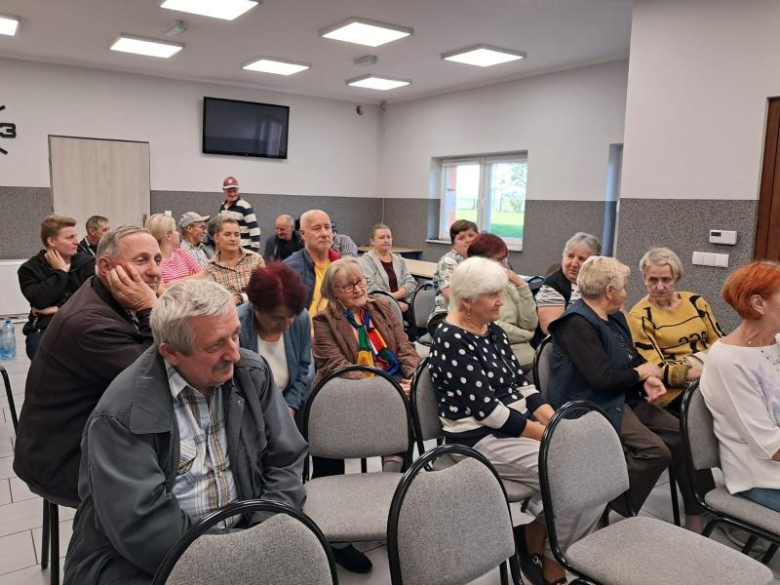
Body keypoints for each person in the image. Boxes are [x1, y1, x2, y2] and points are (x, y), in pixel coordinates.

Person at [63, 280, 307, 585]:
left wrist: (263, 534)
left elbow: (286, 458)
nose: (234, 353)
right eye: (216, 345)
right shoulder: (122, 414)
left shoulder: (251, 374)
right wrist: (230, 560)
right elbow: (143, 528)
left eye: (235, 335)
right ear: (170, 352)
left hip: (248, 532)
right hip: (145, 563)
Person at [429, 257, 600, 585]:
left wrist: (553, 421)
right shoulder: (450, 338)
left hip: (510, 426)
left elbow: (520, 385)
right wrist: (548, 436)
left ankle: (534, 535)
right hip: (476, 438)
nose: (501, 301)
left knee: (591, 470)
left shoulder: (489, 328)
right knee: (575, 477)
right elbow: (489, 413)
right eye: (493, 295)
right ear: (466, 300)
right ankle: (553, 560)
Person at [548, 256, 705, 531]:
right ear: (609, 290)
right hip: (590, 404)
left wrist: (644, 381)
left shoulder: (615, 317)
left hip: (620, 397)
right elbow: (602, 379)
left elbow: (630, 360)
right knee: (655, 452)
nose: (626, 292)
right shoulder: (575, 322)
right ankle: (603, 508)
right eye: (622, 287)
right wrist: (643, 374)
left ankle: (697, 506)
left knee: (683, 434)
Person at [13, 225, 161, 505]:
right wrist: (148, 308)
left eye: (157, 260)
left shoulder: (106, 294)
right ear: (105, 266)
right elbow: (156, 382)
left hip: (81, 438)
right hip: (64, 461)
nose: (154, 270)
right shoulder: (89, 324)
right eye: (141, 260)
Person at [311, 257, 420, 575]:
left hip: (395, 390)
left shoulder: (382, 308)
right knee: (330, 458)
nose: (359, 288)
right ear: (335, 292)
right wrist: (389, 387)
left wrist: (412, 377)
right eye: (350, 285)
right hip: (346, 399)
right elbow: (336, 367)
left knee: (406, 420)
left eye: (360, 281)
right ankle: (335, 540)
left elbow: (405, 347)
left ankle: (390, 510)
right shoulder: (324, 321)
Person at [700, 261, 780, 513]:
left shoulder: (775, 341)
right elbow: (769, 446)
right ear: (758, 303)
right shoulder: (729, 361)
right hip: (761, 477)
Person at [628, 247, 724, 412]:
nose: (660, 287)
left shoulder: (696, 302)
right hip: (674, 390)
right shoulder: (640, 316)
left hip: (710, 372)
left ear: (676, 278)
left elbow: (720, 342)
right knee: (724, 407)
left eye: (666, 279)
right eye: (653, 280)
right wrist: (704, 375)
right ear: (644, 278)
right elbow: (656, 368)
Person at [238, 263, 312, 419]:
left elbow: (303, 368)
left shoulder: (301, 317)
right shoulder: (238, 325)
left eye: (291, 316)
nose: (286, 325)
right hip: (248, 412)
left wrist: (291, 406)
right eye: (276, 318)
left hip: (287, 407)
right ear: (256, 306)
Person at [17, 215, 95, 359]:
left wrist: (57, 308)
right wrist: (60, 272)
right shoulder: (29, 269)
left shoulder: (87, 263)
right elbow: (40, 300)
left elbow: (93, 298)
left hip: (84, 323)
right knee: (43, 355)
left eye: (75, 236)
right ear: (51, 241)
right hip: (45, 327)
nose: (77, 242)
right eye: (69, 238)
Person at [467, 233, 538, 371]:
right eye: (500, 260)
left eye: (505, 259)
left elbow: (530, 323)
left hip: (525, 354)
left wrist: (521, 285)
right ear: (482, 261)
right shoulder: (471, 289)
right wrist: (526, 335)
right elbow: (491, 327)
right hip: (494, 355)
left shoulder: (505, 285)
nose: (505, 264)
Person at [536, 232, 601, 335]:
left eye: (581, 259)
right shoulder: (552, 286)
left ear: (594, 263)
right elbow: (552, 329)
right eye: (570, 256)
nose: (574, 264)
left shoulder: (600, 283)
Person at [427, 219, 478, 336]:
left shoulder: (481, 260)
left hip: (475, 313)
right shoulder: (448, 261)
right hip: (445, 314)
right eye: (462, 238)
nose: (468, 240)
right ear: (454, 243)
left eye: (471, 235)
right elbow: (451, 294)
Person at [284, 209, 340, 316]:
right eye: (317, 229)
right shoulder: (290, 270)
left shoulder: (341, 265)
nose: (324, 233)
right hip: (307, 331)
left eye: (327, 227)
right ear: (303, 234)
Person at [358, 223, 417, 317]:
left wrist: (395, 296)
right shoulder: (365, 261)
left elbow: (411, 282)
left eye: (388, 237)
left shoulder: (399, 259)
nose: (386, 240)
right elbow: (371, 289)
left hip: (404, 305)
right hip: (380, 308)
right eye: (381, 237)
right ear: (372, 241)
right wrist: (394, 303)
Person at [206, 214, 264, 305]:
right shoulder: (210, 267)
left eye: (237, 234)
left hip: (256, 311)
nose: (233, 239)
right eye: (227, 234)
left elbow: (264, 291)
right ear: (216, 238)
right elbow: (214, 302)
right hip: (227, 315)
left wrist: (240, 298)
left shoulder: (255, 259)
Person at [146, 213, 205, 292]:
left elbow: (204, 275)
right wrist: (193, 278)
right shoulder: (153, 262)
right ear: (168, 235)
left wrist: (172, 283)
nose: (178, 234)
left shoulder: (182, 253)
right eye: (175, 230)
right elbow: (162, 293)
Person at [219, 175, 261, 252]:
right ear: (224, 191)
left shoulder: (244, 206)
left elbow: (255, 229)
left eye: (234, 191)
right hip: (228, 249)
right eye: (229, 191)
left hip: (243, 249)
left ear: (238, 190)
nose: (232, 194)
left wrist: (253, 251)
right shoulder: (222, 206)